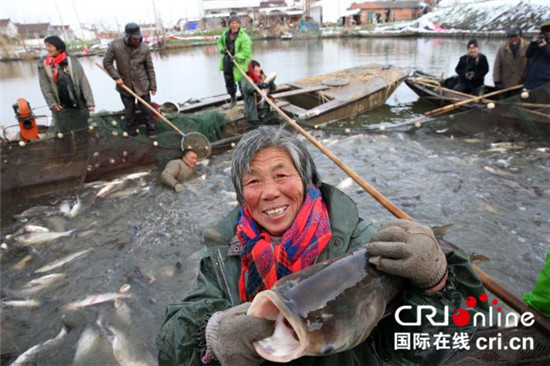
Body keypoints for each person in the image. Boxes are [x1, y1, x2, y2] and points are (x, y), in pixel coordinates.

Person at [157, 126, 488, 365]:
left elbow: (436, 345)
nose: (270, 192)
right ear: (242, 194)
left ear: (306, 180)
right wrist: (213, 341)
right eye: (254, 181)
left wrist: (437, 282)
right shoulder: (222, 256)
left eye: (281, 175)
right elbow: (171, 346)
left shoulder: (369, 244)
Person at [103, 23, 157, 137]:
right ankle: (132, 133)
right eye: (134, 38)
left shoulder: (144, 48)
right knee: (129, 112)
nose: (137, 40)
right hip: (125, 86)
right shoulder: (115, 45)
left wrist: (153, 86)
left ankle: (151, 130)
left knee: (147, 110)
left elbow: (150, 69)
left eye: (138, 38)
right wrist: (116, 77)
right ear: (128, 37)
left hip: (142, 85)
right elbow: (107, 63)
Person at [37, 36, 95, 134]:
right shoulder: (43, 65)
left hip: (77, 102)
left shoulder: (72, 61)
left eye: (50, 46)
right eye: (46, 46)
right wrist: (52, 104)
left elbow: (83, 81)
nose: (47, 49)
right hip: (60, 105)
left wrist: (90, 102)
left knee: (82, 128)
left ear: (59, 47)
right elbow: (45, 86)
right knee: (64, 130)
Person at [217, 13, 252, 109]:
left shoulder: (244, 37)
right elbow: (219, 43)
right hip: (228, 60)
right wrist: (222, 50)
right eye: (232, 23)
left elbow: (246, 52)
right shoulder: (225, 34)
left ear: (239, 24)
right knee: (229, 81)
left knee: (242, 84)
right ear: (229, 24)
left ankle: (246, 102)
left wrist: (237, 57)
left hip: (239, 63)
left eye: (236, 23)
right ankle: (233, 99)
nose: (234, 25)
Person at [241, 60, 282, 129]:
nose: (259, 69)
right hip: (253, 109)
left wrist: (271, 84)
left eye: (259, 67)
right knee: (255, 127)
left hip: (265, 108)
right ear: (252, 68)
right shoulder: (246, 78)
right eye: (257, 67)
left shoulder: (262, 77)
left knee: (278, 120)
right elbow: (247, 89)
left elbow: (273, 89)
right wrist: (259, 85)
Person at [493, 27, 528, 97]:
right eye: (511, 37)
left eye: (515, 36)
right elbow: (497, 66)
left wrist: (527, 80)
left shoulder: (528, 47)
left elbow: (531, 65)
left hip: (521, 84)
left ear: (520, 36)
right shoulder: (502, 49)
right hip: (505, 84)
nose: (513, 39)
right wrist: (497, 81)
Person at [523, 20, 550, 103]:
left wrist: (545, 47)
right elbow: (528, 55)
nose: (548, 33)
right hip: (532, 81)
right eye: (546, 30)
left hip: (546, 83)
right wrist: (533, 44)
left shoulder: (544, 45)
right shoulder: (540, 42)